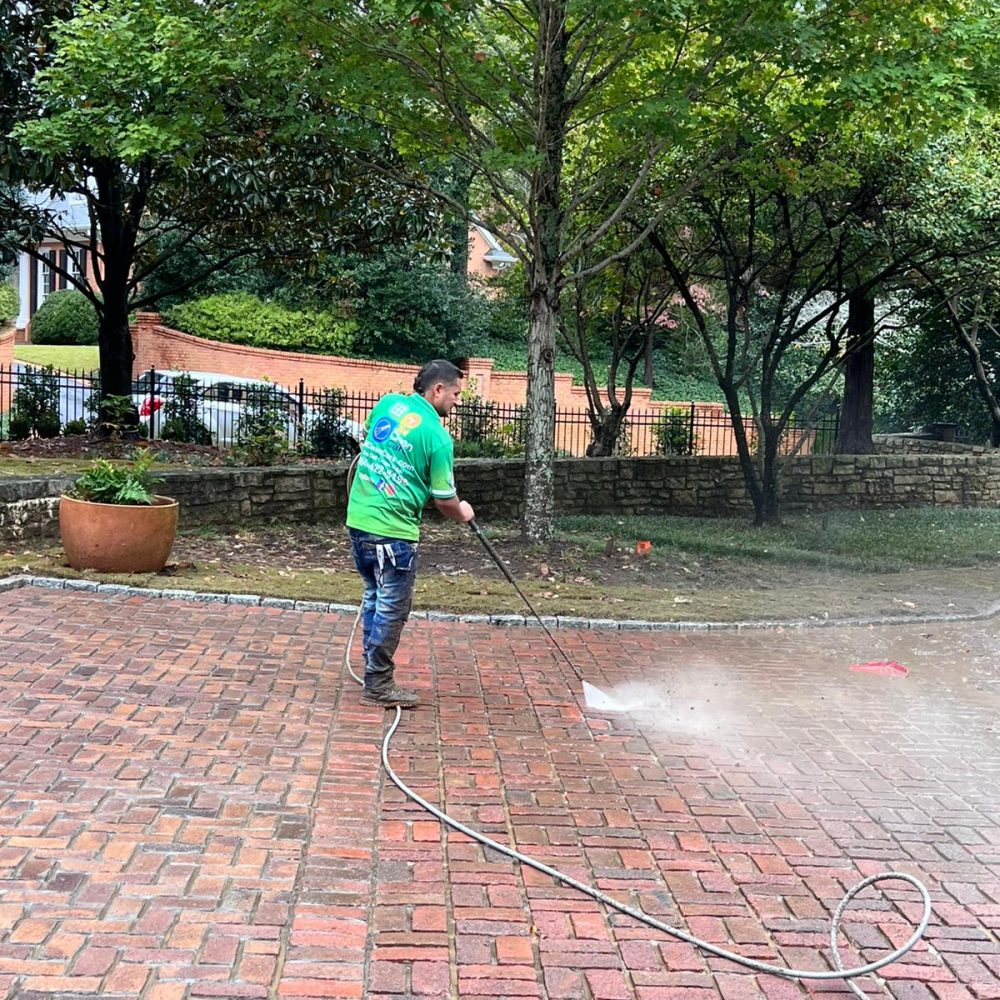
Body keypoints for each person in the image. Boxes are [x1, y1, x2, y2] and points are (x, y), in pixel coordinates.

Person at [346, 359, 475, 708]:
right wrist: (464, 512)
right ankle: (378, 684)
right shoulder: (437, 437)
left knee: (375, 596)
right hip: (393, 533)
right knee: (392, 607)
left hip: (358, 521)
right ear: (437, 390)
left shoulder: (388, 403)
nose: (458, 401)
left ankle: (372, 669)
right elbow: (445, 499)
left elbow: (370, 437)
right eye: (455, 393)